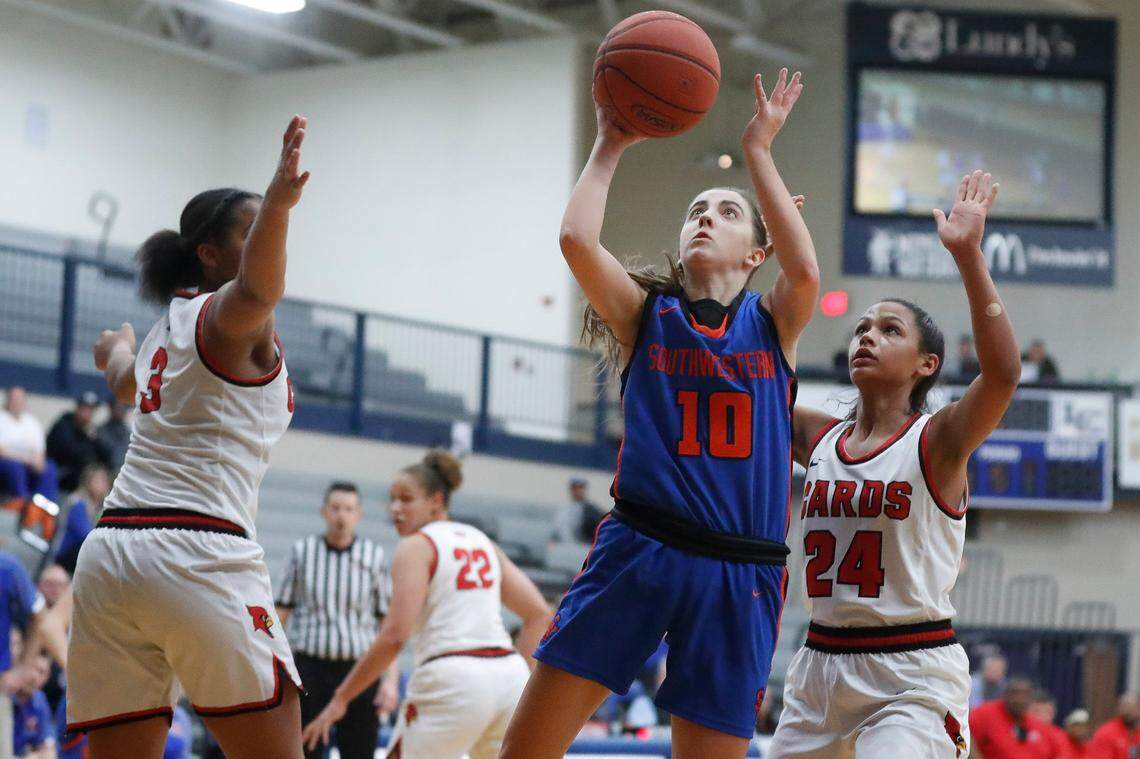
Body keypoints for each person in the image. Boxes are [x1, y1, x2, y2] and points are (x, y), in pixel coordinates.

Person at [501, 67, 819, 759]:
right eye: (696, 209)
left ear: (756, 253)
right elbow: (577, 242)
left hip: (742, 571)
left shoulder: (772, 324)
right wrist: (609, 144)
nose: (706, 214)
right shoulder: (648, 315)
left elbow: (807, 273)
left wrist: (759, 151)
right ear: (680, 244)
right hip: (639, 548)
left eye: (727, 212)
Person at [65, 116, 311, 759]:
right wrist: (281, 202)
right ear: (209, 254)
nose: (269, 235)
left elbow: (123, 381)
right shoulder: (229, 317)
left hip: (111, 554)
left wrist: (116, 347)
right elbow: (259, 285)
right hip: (197, 550)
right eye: (251, 228)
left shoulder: (164, 330)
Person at [767, 171, 1020, 759]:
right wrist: (768, 256)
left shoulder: (938, 440)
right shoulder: (820, 437)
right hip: (820, 665)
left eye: (888, 330)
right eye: (861, 328)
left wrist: (968, 257)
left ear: (926, 363)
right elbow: (746, 383)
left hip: (912, 671)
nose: (867, 337)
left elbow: (1003, 375)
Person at [302, 450, 552, 759]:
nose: (396, 508)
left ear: (435, 500)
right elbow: (539, 614)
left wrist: (341, 698)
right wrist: (523, 681)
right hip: (508, 679)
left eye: (406, 499)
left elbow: (394, 636)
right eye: (392, 499)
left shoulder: (416, 546)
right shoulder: (481, 540)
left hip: (453, 679)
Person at [274, 481, 399, 759]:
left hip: (359, 670)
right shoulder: (302, 552)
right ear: (324, 511)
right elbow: (281, 612)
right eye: (336, 508)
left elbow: (387, 625)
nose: (341, 515)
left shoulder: (373, 556)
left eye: (348, 509)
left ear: (358, 515)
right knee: (305, 750)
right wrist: (273, 663)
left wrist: (390, 682)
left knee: (359, 751)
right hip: (310, 669)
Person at [970, 678, 1056, 759]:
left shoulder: (1036, 724)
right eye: (1015, 693)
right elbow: (960, 736)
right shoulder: (984, 714)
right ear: (1005, 694)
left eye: (1025, 695)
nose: (1020, 699)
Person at [0, 388, 58, 506]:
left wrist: (38, 462)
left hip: (29, 462)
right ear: (8, 400)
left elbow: (40, 451)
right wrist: (26, 459)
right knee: (16, 468)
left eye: (20, 400)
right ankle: (22, 506)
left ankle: (44, 509)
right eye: (14, 400)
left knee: (49, 467)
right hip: (7, 462)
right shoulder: (2, 418)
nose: (17, 403)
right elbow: (1, 451)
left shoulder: (32, 423)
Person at [53, 466, 110, 575]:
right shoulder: (77, 503)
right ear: (88, 481)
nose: (101, 485)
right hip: (66, 556)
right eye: (97, 480)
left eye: (104, 481)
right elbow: (84, 534)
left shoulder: (101, 510)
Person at [45, 394, 106, 493]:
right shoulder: (63, 425)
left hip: (80, 477)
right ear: (78, 408)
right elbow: (70, 451)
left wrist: (95, 440)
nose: (88, 414)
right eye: (86, 409)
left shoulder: (89, 431)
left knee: (99, 475)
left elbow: (105, 456)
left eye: (91, 410)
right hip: (60, 474)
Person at [12, 655, 55, 759]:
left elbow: (48, 744)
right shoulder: (5, 697)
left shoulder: (39, 699)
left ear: (47, 678)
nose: (34, 676)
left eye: (42, 672)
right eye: (32, 667)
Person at [552, 478, 606, 544]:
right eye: (575, 488)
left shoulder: (591, 510)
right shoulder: (564, 509)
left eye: (580, 488)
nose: (578, 491)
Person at [1090, 692, 1140, 759]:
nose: (1130, 712)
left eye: (1134, 708)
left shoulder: (1137, 732)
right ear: (1119, 709)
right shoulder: (1106, 733)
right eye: (1126, 707)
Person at [95, 401, 131, 476]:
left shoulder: (128, 433)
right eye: (117, 408)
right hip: (106, 475)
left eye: (123, 408)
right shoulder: (100, 431)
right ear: (111, 408)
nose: (120, 410)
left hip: (125, 474)